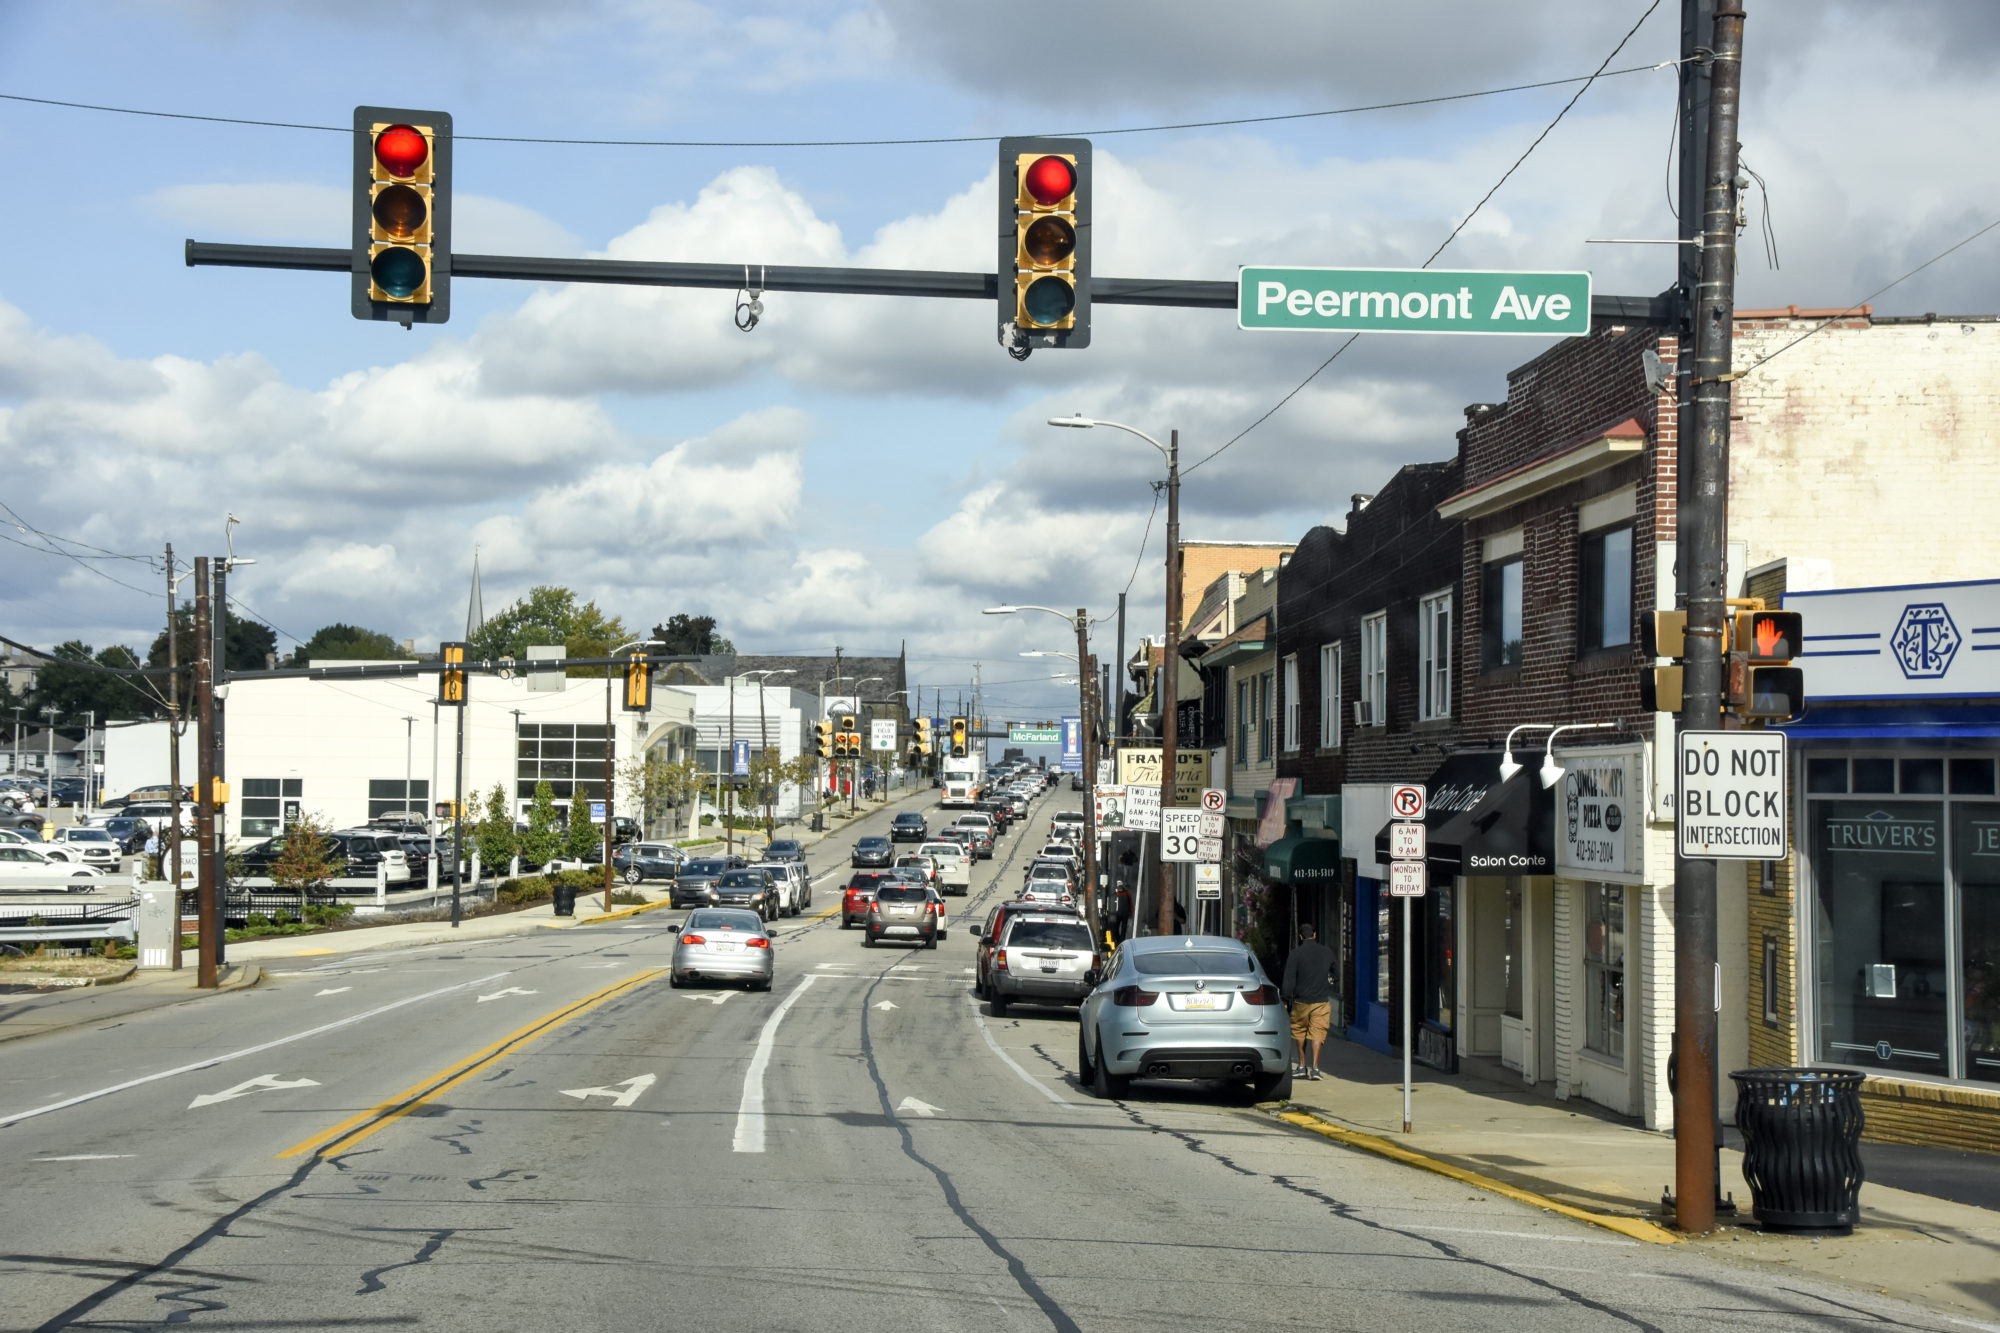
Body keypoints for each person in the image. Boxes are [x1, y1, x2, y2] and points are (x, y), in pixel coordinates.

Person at [1281, 923, 1337, 1081]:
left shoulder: (1295, 954)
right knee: (1318, 1032)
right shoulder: (1327, 952)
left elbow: (1289, 979)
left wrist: (1285, 998)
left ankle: (1302, 1066)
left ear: (1300, 937)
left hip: (1301, 1001)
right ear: (1315, 935)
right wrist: (1330, 980)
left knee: (1300, 1031)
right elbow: (1336, 973)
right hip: (1321, 1001)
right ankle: (1316, 1069)